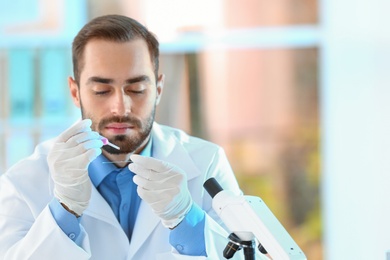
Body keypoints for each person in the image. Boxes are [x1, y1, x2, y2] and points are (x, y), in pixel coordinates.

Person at [0, 15, 256, 259]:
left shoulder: (206, 163)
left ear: (158, 89)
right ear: (75, 92)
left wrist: (186, 219)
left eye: (137, 89)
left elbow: (251, 254)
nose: (121, 108)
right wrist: (65, 209)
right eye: (101, 90)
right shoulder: (24, 181)